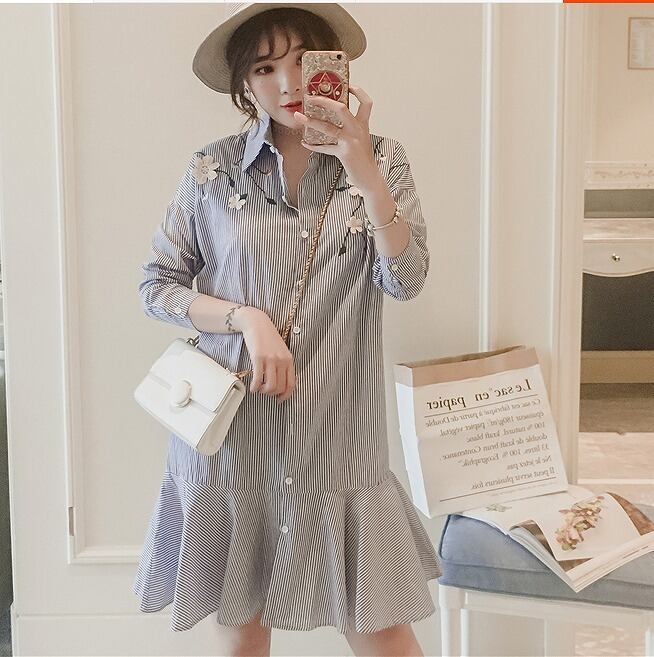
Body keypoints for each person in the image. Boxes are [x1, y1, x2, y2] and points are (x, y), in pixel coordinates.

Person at [132, 3, 441, 656]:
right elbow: (157, 285)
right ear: (245, 85)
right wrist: (245, 319)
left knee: (385, 635)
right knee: (242, 639)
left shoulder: (383, 161)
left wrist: (365, 173)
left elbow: (406, 279)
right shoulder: (212, 171)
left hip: (340, 445)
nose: (288, 82)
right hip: (234, 443)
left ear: (337, 66)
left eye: (304, 60)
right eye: (265, 68)